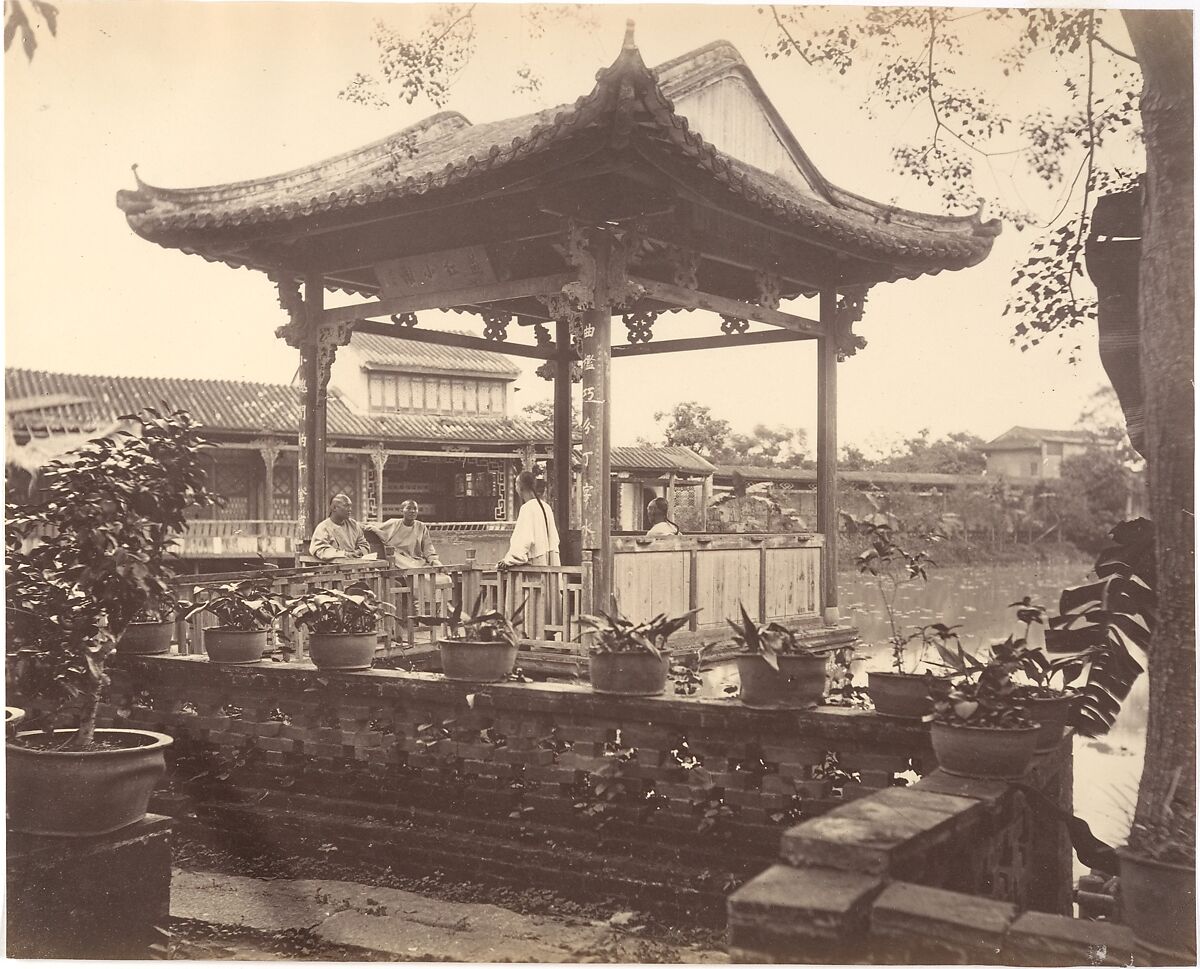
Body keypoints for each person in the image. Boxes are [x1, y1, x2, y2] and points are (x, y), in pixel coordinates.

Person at [498, 470, 560, 568]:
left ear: (521, 487)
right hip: (551, 561)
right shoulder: (546, 507)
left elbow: (523, 540)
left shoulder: (526, 508)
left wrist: (509, 560)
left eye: (516, 485)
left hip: (536, 562)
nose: (516, 488)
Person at [365, 500, 442, 569]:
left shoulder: (421, 526)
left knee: (442, 577)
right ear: (401, 510)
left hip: (415, 560)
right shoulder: (393, 523)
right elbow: (374, 527)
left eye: (415, 509)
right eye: (408, 508)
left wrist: (434, 560)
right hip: (397, 559)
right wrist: (371, 528)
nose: (412, 511)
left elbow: (428, 547)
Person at [309, 493, 372, 561]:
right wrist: (344, 554)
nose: (350, 509)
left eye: (350, 506)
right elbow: (320, 550)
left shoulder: (353, 525)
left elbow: (364, 545)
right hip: (332, 568)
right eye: (346, 506)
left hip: (354, 565)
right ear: (334, 508)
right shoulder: (323, 527)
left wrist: (359, 552)